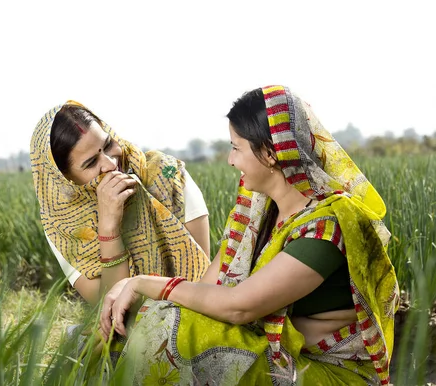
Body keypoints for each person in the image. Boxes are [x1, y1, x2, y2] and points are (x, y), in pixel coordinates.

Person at [100, 86, 399, 385]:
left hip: (327, 372)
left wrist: (140, 282)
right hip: (280, 351)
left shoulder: (325, 228)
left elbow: (238, 306)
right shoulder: (257, 213)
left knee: (172, 325)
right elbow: (208, 289)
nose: (230, 160)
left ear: (269, 153)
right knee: (149, 319)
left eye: (236, 147)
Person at [30, 100, 211, 305]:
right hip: (128, 330)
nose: (110, 163)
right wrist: (108, 227)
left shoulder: (168, 174)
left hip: (196, 307)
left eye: (108, 145)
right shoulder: (62, 226)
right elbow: (106, 307)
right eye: (91, 163)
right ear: (64, 180)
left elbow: (204, 277)